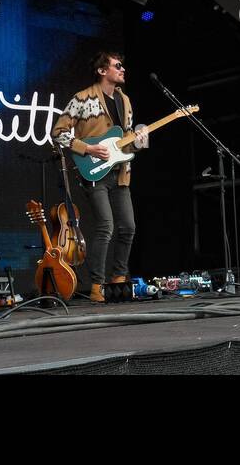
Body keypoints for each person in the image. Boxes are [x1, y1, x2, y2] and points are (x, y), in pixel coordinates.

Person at [50, 51, 149, 304]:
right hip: (94, 172)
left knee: (128, 227)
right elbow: (58, 132)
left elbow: (125, 139)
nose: (122, 69)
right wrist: (88, 149)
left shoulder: (125, 101)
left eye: (122, 65)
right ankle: (97, 286)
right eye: (117, 66)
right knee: (106, 227)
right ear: (102, 71)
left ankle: (118, 282)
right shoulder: (83, 98)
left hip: (120, 173)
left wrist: (138, 143)